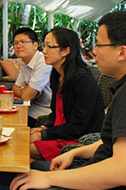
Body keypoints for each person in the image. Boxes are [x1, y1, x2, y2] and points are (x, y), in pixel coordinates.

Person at [10, 11, 126, 190]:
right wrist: (78, 152)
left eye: (99, 45)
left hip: (104, 180)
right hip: (93, 161)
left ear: (122, 52)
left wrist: (50, 178)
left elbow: (122, 171)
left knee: (15, 173)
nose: (93, 51)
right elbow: (113, 144)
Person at [30, 27, 104, 163]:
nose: (44, 51)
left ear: (66, 51)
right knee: (21, 142)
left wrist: (45, 135)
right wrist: (43, 128)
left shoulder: (82, 80)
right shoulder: (57, 74)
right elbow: (56, 112)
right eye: (44, 46)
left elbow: (78, 126)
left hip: (79, 141)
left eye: (49, 47)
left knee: (22, 149)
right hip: (61, 132)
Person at [12, 27, 52, 127]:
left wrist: (26, 93)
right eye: (16, 43)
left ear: (35, 45)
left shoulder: (43, 62)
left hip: (46, 113)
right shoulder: (25, 63)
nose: (19, 45)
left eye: (23, 42)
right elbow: (15, 89)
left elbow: (26, 96)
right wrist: (27, 91)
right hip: (30, 108)